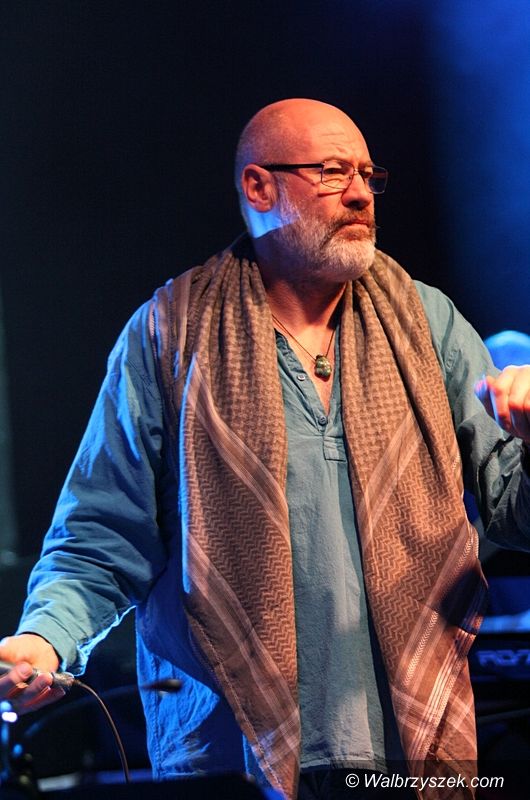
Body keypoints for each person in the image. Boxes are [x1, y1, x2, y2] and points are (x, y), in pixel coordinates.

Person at [1, 98, 529, 800]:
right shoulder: (169, 334)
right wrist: (45, 639)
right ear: (258, 187)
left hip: (409, 748)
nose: (360, 194)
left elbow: (513, 510)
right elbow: (103, 534)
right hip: (233, 750)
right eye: (333, 171)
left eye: (368, 174)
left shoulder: (427, 321)